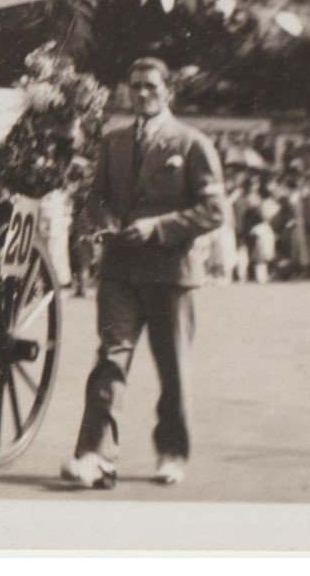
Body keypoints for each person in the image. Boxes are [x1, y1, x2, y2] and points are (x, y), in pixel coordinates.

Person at [61, 58, 228, 490]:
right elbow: (94, 198)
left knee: (172, 368)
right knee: (110, 359)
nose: (142, 94)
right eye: (135, 86)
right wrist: (105, 221)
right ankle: (96, 456)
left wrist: (159, 227)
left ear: (167, 90)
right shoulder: (113, 142)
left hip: (171, 272)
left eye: (151, 86)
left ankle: (172, 452)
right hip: (120, 268)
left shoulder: (192, 143)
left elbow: (214, 210)